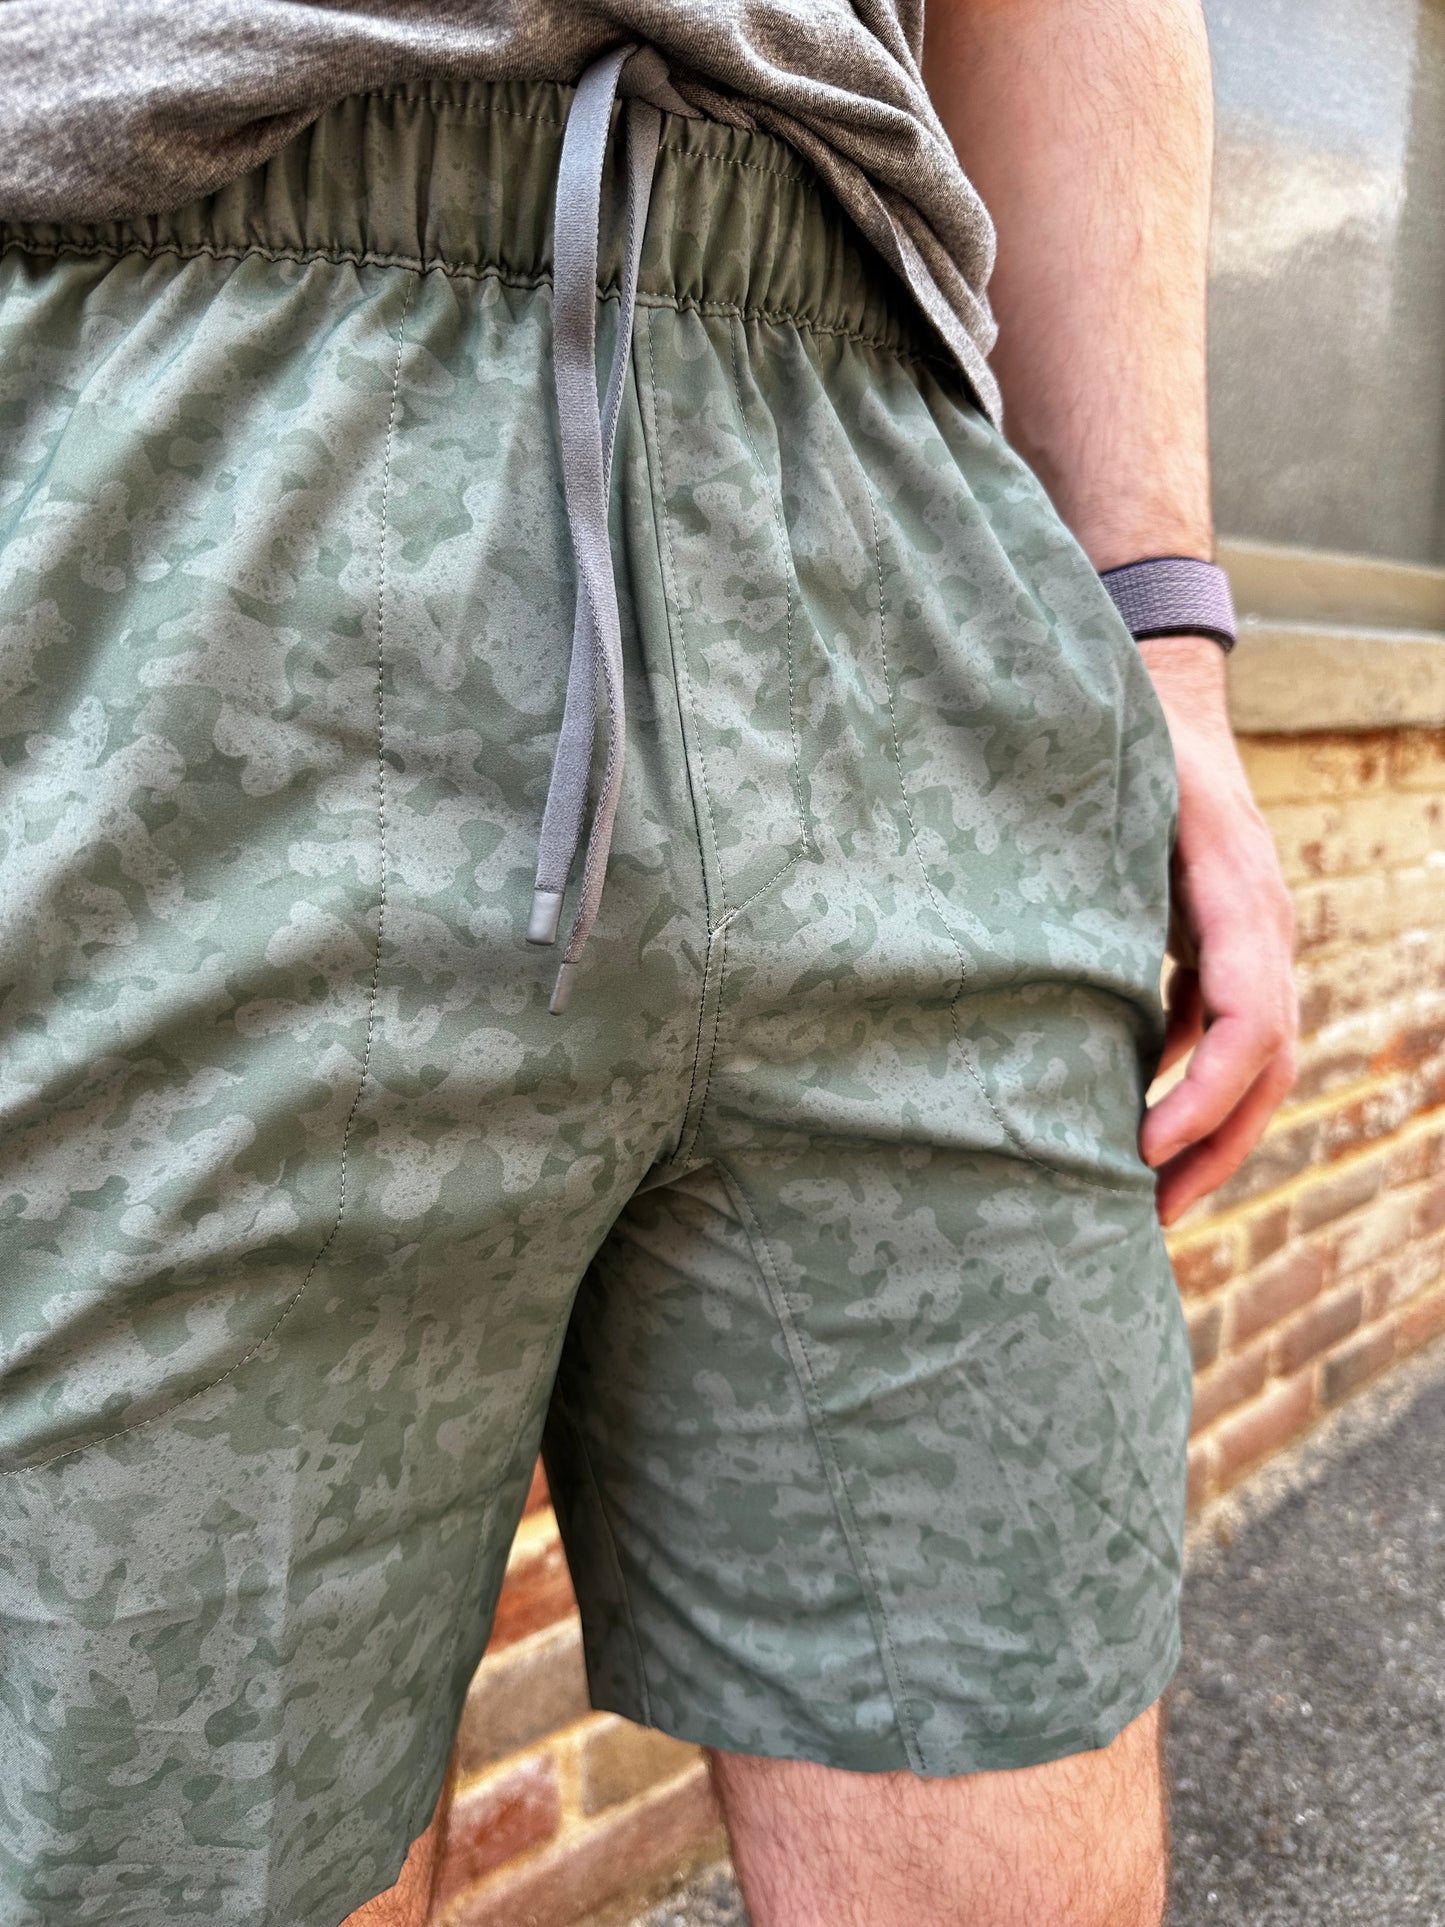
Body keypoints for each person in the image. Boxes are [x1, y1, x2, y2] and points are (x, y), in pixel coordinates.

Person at [0, 3, 1297, 1924]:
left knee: (1020, 1818)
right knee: (169, 1860)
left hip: (884, 484)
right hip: (185, 391)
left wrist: (1161, 640)